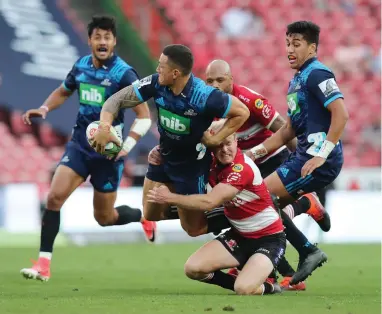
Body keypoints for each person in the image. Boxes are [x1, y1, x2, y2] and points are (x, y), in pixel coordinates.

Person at [20, 16, 155, 282]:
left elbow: (144, 116)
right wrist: (45, 108)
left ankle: (142, 216)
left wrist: (126, 146)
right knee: (53, 199)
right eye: (97, 37)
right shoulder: (81, 66)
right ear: (90, 40)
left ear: (114, 41)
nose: (102, 42)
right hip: (80, 145)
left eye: (107, 37)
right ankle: (43, 265)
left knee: (104, 218)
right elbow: (64, 90)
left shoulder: (124, 74)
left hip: (108, 154)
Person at [91, 44, 250, 235]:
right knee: (150, 213)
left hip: (192, 166)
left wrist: (216, 141)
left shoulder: (204, 96)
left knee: (193, 229)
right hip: (164, 156)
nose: (157, 70)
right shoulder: (155, 83)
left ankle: (235, 214)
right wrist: (104, 126)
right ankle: (189, 208)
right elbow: (115, 100)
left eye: (161, 66)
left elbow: (242, 112)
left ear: (175, 73)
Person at [205, 59, 330, 290]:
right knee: (236, 213)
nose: (214, 85)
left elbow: (284, 129)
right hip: (240, 167)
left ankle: (288, 265)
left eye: (220, 80)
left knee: (266, 210)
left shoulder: (250, 101)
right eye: (209, 81)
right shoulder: (206, 106)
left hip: (272, 160)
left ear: (231, 80)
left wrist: (302, 166)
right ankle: (304, 209)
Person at [249, 21, 349, 284]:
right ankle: (285, 262)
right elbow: (288, 131)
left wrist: (321, 155)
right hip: (303, 156)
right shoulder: (296, 81)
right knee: (264, 207)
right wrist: (254, 153)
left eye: (296, 44)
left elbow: (341, 114)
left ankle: (304, 251)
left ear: (312, 47)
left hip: (316, 161)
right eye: (287, 44)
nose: (289, 50)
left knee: (258, 200)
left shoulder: (318, 74)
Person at [147, 127, 285, 295]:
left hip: (269, 239)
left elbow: (210, 201)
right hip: (240, 236)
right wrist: (158, 154)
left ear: (236, 141)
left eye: (228, 144)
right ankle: (241, 280)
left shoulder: (241, 169)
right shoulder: (211, 160)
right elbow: (183, 151)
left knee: (243, 289)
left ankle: (269, 286)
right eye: (218, 145)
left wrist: (170, 197)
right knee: (193, 269)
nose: (224, 150)